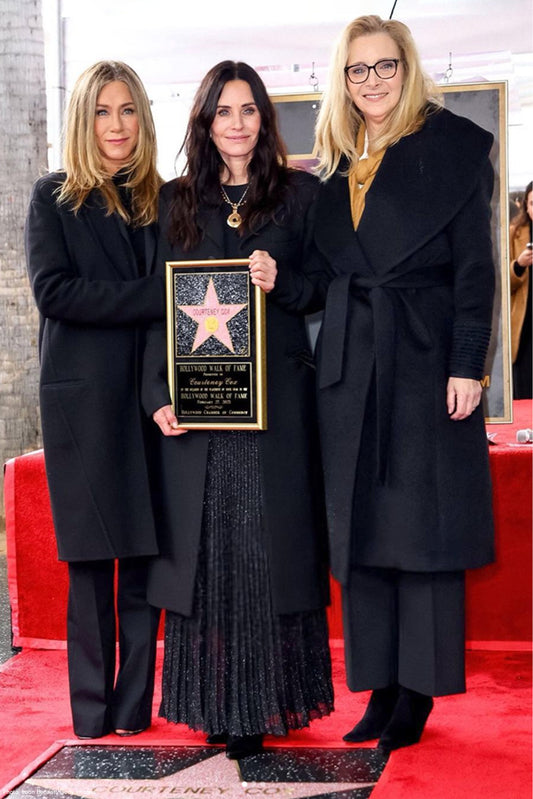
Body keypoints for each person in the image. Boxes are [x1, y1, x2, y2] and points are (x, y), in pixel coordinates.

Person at [275, 15, 495, 753]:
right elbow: (323, 278)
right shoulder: (334, 165)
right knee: (360, 532)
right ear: (341, 81)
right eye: (356, 70)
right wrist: (277, 281)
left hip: (425, 360)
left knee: (420, 530)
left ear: (407, 67)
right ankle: (376, 687)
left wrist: (469, 362)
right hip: (347, 368)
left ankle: (416, 694)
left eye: (384, 66)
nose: (371, 81)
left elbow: (475, 269)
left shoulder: (455, 150)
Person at [141, 60, 333, 759]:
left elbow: (324, 289)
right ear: (204, 121)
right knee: (207, 559)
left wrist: (281, 281)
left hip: (276, 411)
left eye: (249, 109)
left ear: (265, 119)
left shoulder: (300, 197)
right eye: (224, 111)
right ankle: (212, 700)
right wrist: (156, 394)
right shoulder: (173, 202)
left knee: (262, 554)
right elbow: (155, 315)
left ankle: (261, 701)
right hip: (198, 419)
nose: (237, 123)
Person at [24, 61, 164, 739]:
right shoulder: (53, 196)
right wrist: (151, 295)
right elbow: (55, 292)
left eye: (128, 110)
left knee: (142, 561)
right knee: (89, 565)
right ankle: (89, 711)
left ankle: (133, 708)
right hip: (81, 404)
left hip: (148, 401)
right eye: (104, 111)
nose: (117, 124)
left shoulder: (159, 201)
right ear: (84, 119)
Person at [509, 181, 532, 399]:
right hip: (525, 323)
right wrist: (519, 265)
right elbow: (501, 282)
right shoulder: (514, 232)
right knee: (524, 389)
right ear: (526, 205)